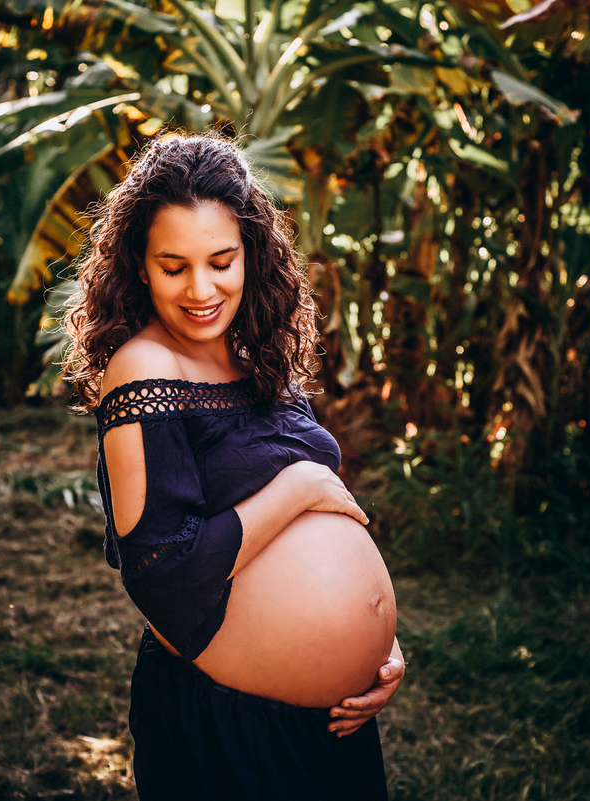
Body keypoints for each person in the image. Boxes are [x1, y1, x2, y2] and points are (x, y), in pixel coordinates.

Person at [61, 131, 404, 800]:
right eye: (173, 266)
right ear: (139, 267)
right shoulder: (145, 367)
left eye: (221, 261)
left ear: (251, 251)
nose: (201, 289)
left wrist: (376, 646)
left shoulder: (257, 354)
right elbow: (161, 568)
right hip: (227, 727)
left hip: (331, 720)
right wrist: (298, 488)